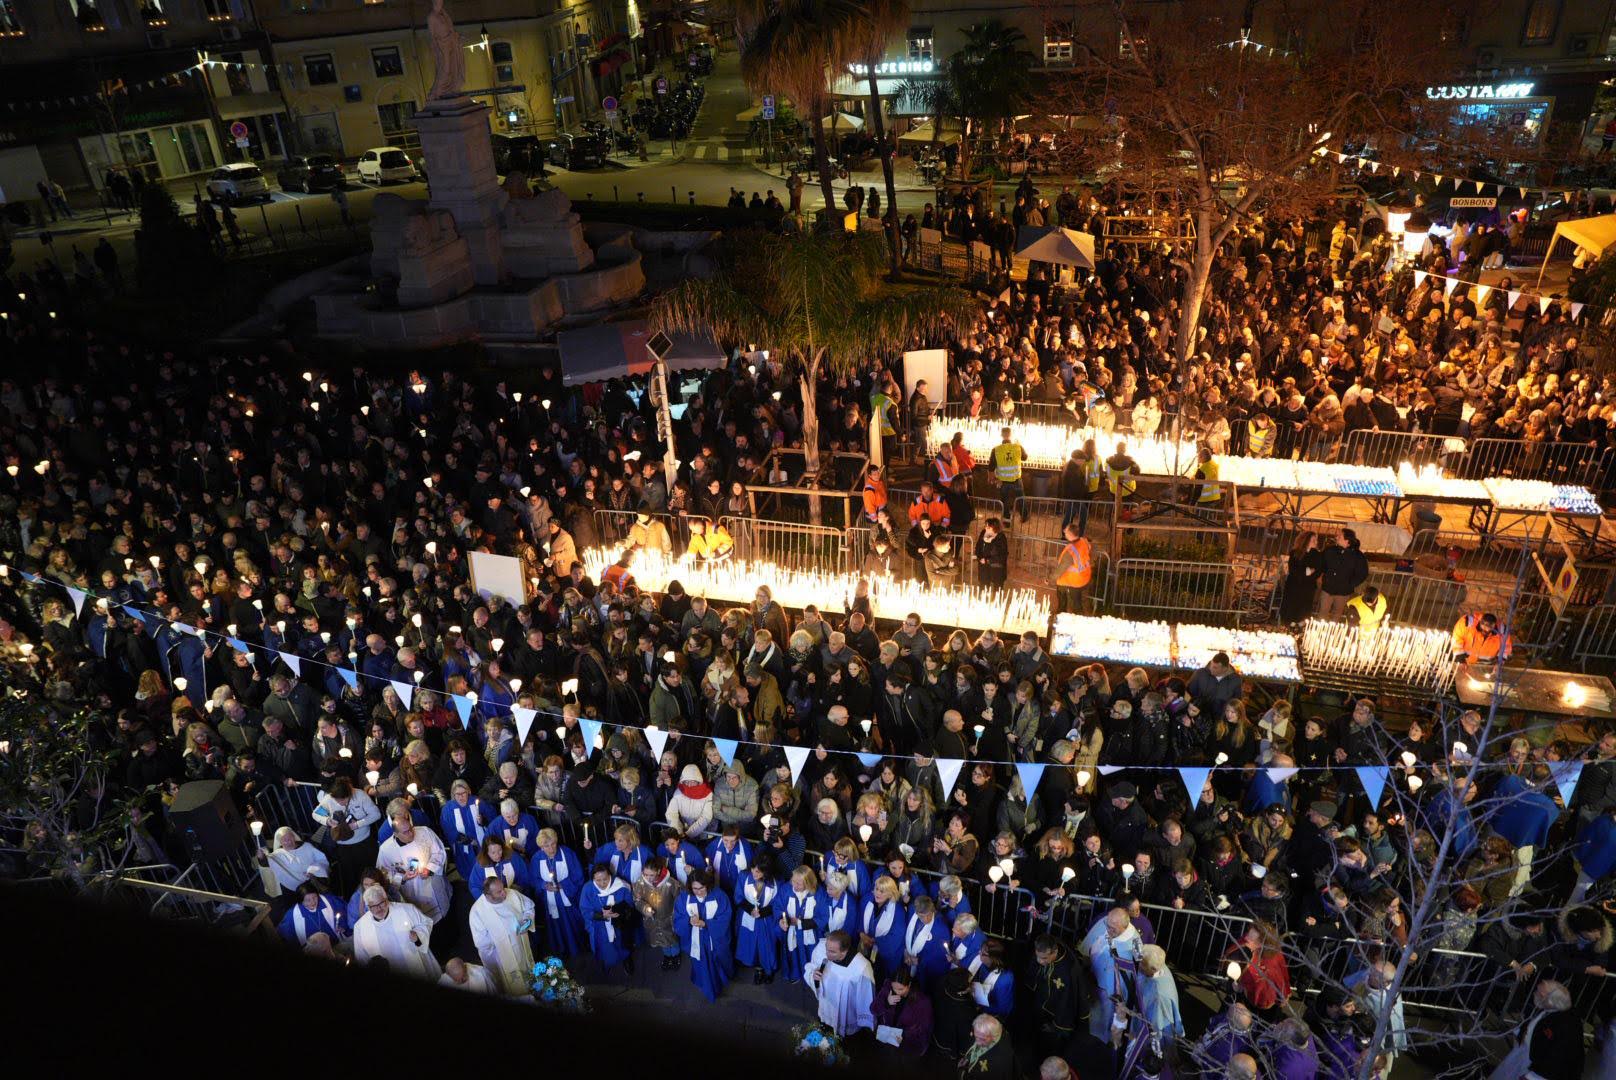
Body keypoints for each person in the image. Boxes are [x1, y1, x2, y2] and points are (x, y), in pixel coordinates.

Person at [352, 884, 440, 979]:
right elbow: (361, 957)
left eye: (381, 903)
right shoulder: (360, 927)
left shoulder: (407, 910)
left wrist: (418, 935)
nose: (379, 909)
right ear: (368, 907)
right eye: (373, 906)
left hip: (415, 965)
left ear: (386, 899)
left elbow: (426, 922)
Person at [468, 875, 537, 996]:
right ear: (488, 895)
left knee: (527, 971)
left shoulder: (512, 894)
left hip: (521, 946)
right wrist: (504, 938)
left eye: (503, 888)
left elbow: (529, 907)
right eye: (499, 892)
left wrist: (527, 920)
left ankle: (533, 991)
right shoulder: (477, 911)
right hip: (501, 956)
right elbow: (481, 942)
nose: (504, 893)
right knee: (511, 985)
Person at [675, 869, 734, 1001]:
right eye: (694, 888)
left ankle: (719, 983)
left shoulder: (719, 895)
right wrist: (689, 921)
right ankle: (705, 985)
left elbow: (725, 918)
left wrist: (706, 924)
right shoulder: (685, 897)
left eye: (701, 888)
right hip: (696, 941)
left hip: (714, 938)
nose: (698, 892)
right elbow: (678, 918)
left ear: (707, 884)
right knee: (701, 965)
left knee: (717, 963)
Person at [807, 929, 876, 1037]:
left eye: (832, 952)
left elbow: (866, 996)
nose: (827, 954)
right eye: (827, 949)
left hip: (846, 1012)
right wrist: (813, 976)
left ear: (844, 951)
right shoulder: (822, 950)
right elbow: (810, 967)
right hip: (826, 1007)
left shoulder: (861, 967)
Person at [530, 828, 587, 956]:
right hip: (549, 900)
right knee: (555, 927)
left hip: (567, 897)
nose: (551, 848)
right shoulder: (537, 858)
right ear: (541, 847)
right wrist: (544, 885)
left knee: (572, 925)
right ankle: (560, 950)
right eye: (546, 846)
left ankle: (577, 949)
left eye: (553, 844)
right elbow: (533, 879)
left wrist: (562, 885)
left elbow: (578, 875)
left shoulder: (567, 853)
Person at [580, 862, 636, 974]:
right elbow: (584, 909)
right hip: (598, 924)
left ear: (610, 875)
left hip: (618, 923)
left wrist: (619, 912)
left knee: (622, 943)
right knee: (603, 946)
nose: (602, 883)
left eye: (605, 879)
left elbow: (630, 905)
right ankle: (607, 961)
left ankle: (626, 959)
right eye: (598, 880)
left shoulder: (621, 885)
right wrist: (601, 916)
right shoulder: (588, 888)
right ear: (593, 879)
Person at [735, 857, 783, 982]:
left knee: (767, 946)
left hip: (767, 920)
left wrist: (762, 912)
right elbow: (738, 897)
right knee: (752, 946)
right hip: (748, 917)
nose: (753, 873)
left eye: (758, 872)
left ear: (766, 872)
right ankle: (758, 969)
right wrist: (750, 909)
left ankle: (769, 969)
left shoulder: (776, 882)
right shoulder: (743, 876)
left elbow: (778, 904)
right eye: (753, 869)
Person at [872, 967, 934, 1054]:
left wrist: (904, 1035)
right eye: (894, 988)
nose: (897, 992)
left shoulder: (922, 1002)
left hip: (907, 1045)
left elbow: (923, 1028)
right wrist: (886, 1003)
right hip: (887, 1038)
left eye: (901, 989)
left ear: (909, 985)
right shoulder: (888, 987)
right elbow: (874, 1009)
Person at [988, 427, 1028, 522]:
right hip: (1016, 479)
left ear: (1001, 435)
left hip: (1003, 481)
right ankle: (1024, 516)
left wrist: (992, 478)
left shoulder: (996, 450)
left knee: (1004, 500)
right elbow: (1025, 458)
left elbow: (991, 466)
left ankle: (1006, 520)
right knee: (1021, 498)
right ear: (1011, 435)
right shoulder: (1018, 447)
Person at [958, 1014, 1016, 1080]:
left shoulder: (1000, 1062)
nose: (977, 1042)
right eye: (976, 1036)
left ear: (994, 1036)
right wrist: (967, 1059)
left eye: (982, 1039)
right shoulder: (985, 1033)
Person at [1054, 523, 1092, 614]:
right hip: (1084, 576)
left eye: (1066, 531)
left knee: (1074, 603)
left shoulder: (1071, 551)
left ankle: (1062, 613)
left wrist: (1050, 579)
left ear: (1070, 534)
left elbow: (1061, 569)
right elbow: (1088, 544)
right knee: (1076, 600)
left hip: (1075, 580)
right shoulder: (1083, 541)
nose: (1064, 531)